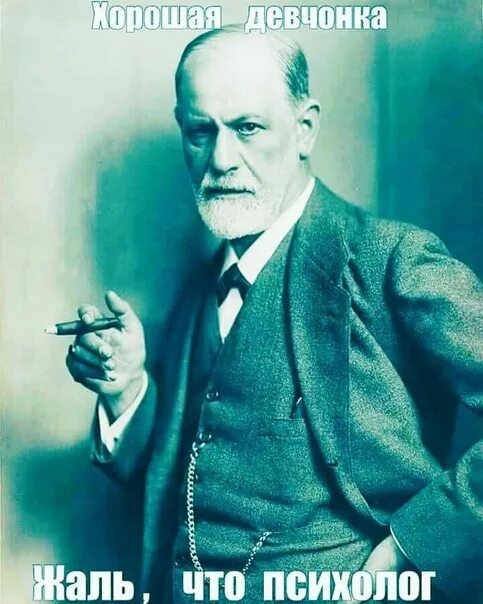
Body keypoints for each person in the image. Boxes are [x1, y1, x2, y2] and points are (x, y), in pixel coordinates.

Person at [65, 26, 483, 603]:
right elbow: (183, 484)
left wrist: (407, 549)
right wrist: (126, 390)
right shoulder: (199, 288)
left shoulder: (392, 259)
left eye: (247, 128)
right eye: (200, 131)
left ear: (304, 128)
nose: (220, 160)